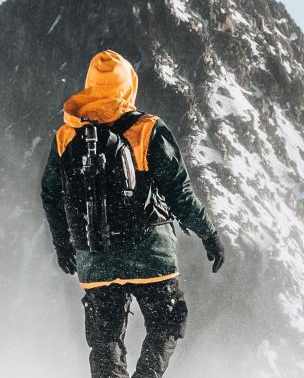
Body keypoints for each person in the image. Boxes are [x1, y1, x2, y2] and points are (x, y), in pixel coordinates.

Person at [41, 49, 226, 378]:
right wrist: (208, 234)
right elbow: (179, 192)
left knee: (105, 341)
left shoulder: (66, 137)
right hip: (150, 255)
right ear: (128, 86)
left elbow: (51, 195)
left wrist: (63, 244)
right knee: (167, 323)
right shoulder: (147, 129)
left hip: (95, 258)